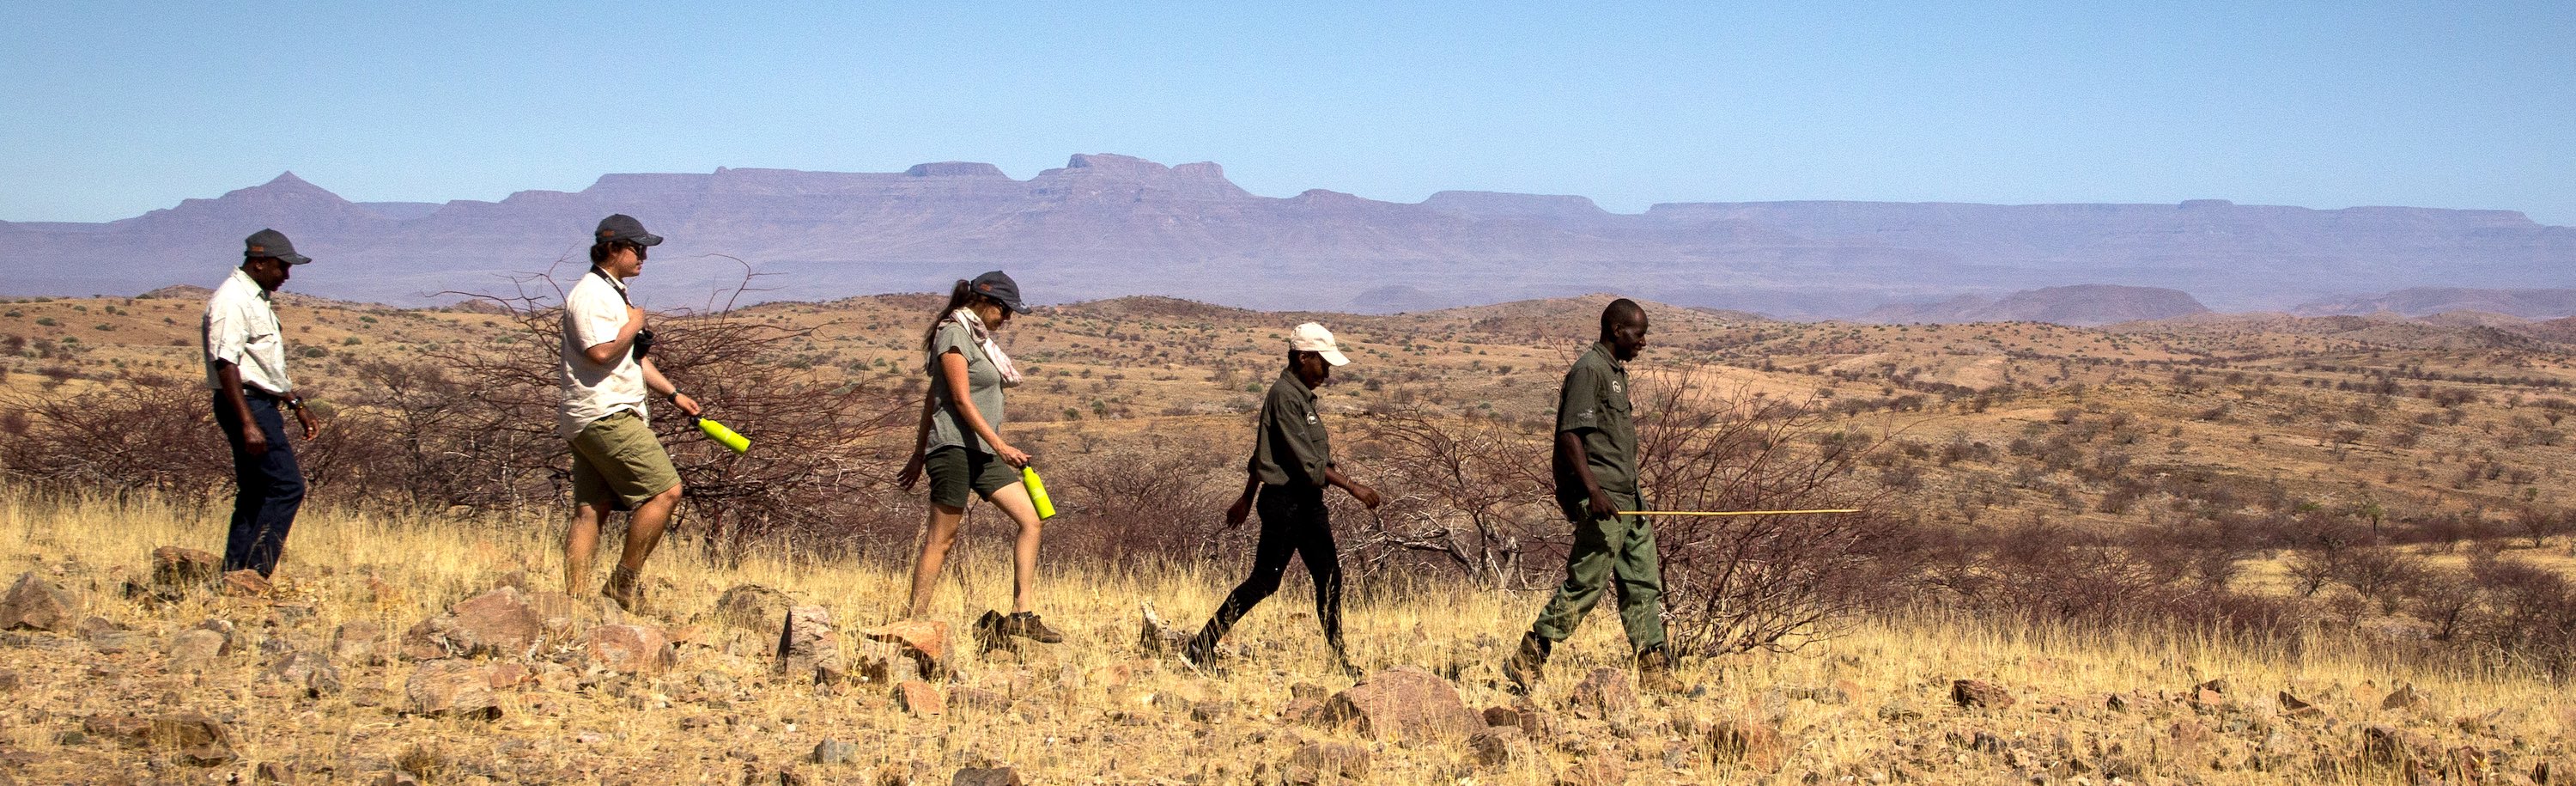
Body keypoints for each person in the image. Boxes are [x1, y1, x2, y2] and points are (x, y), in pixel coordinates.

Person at [1502, 298, 1682, 694]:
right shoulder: (1589, 370)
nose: (1644, 343)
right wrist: (1592, 491)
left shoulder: (1615, 372)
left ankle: (1656, 674)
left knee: (1642, 584)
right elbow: (1569, 436)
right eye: (1639, 335)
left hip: (1629, 498)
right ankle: (1529, 656)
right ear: (1617, 330)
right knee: (1587, 583)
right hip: (1605, 501)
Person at [1183, 322, 1381, 678]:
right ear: (1304, 357)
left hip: (1306, 504)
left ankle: (1338, 660)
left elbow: (1265, 453)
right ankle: (1200, 645)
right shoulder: (1285, 397)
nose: (1328, 372)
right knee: (1265, 581)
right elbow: (1306, 464)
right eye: (1324, 363)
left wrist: (1245, 498)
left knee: (1330, 577)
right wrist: (1354, 487)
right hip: (1287, 504)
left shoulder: (1298, 395)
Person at [896, 271, 1061, 644]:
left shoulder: (978, 339)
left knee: (1031, 520)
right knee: (943, 538)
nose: (1008, 319)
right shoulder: (953, 333)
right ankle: (913, 622)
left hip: (982, 451)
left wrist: (991, 448)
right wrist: (925, 454)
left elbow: (931, 398)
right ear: (987, 302)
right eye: (1005, 311)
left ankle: (1022, 614)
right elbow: (956, 399)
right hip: (955, 448)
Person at [559, 214, 700, 612]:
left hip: (590, 415)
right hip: (604, 412)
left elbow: (630, 360)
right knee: (666, 491)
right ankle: (624, 582)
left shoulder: (612, 291)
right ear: (612, 249)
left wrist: (673, 394)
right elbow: (601, 352)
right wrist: (632, 324)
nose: (643, 257)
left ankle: (574, 604)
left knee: (591, 510)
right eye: (636, 249)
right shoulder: (591, 295)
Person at [204, 228, 322, 578]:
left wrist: (295, 402)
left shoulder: (254, 298)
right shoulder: (232, 300)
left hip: (258, 404)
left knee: (256, 492)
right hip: (246, 405)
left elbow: (261, 366)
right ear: (259, 263)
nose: (286, 275)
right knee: (287, 487)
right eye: (281, 267)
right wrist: (248, 423)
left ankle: (235, 575)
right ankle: (256, 573)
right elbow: (226, 364)